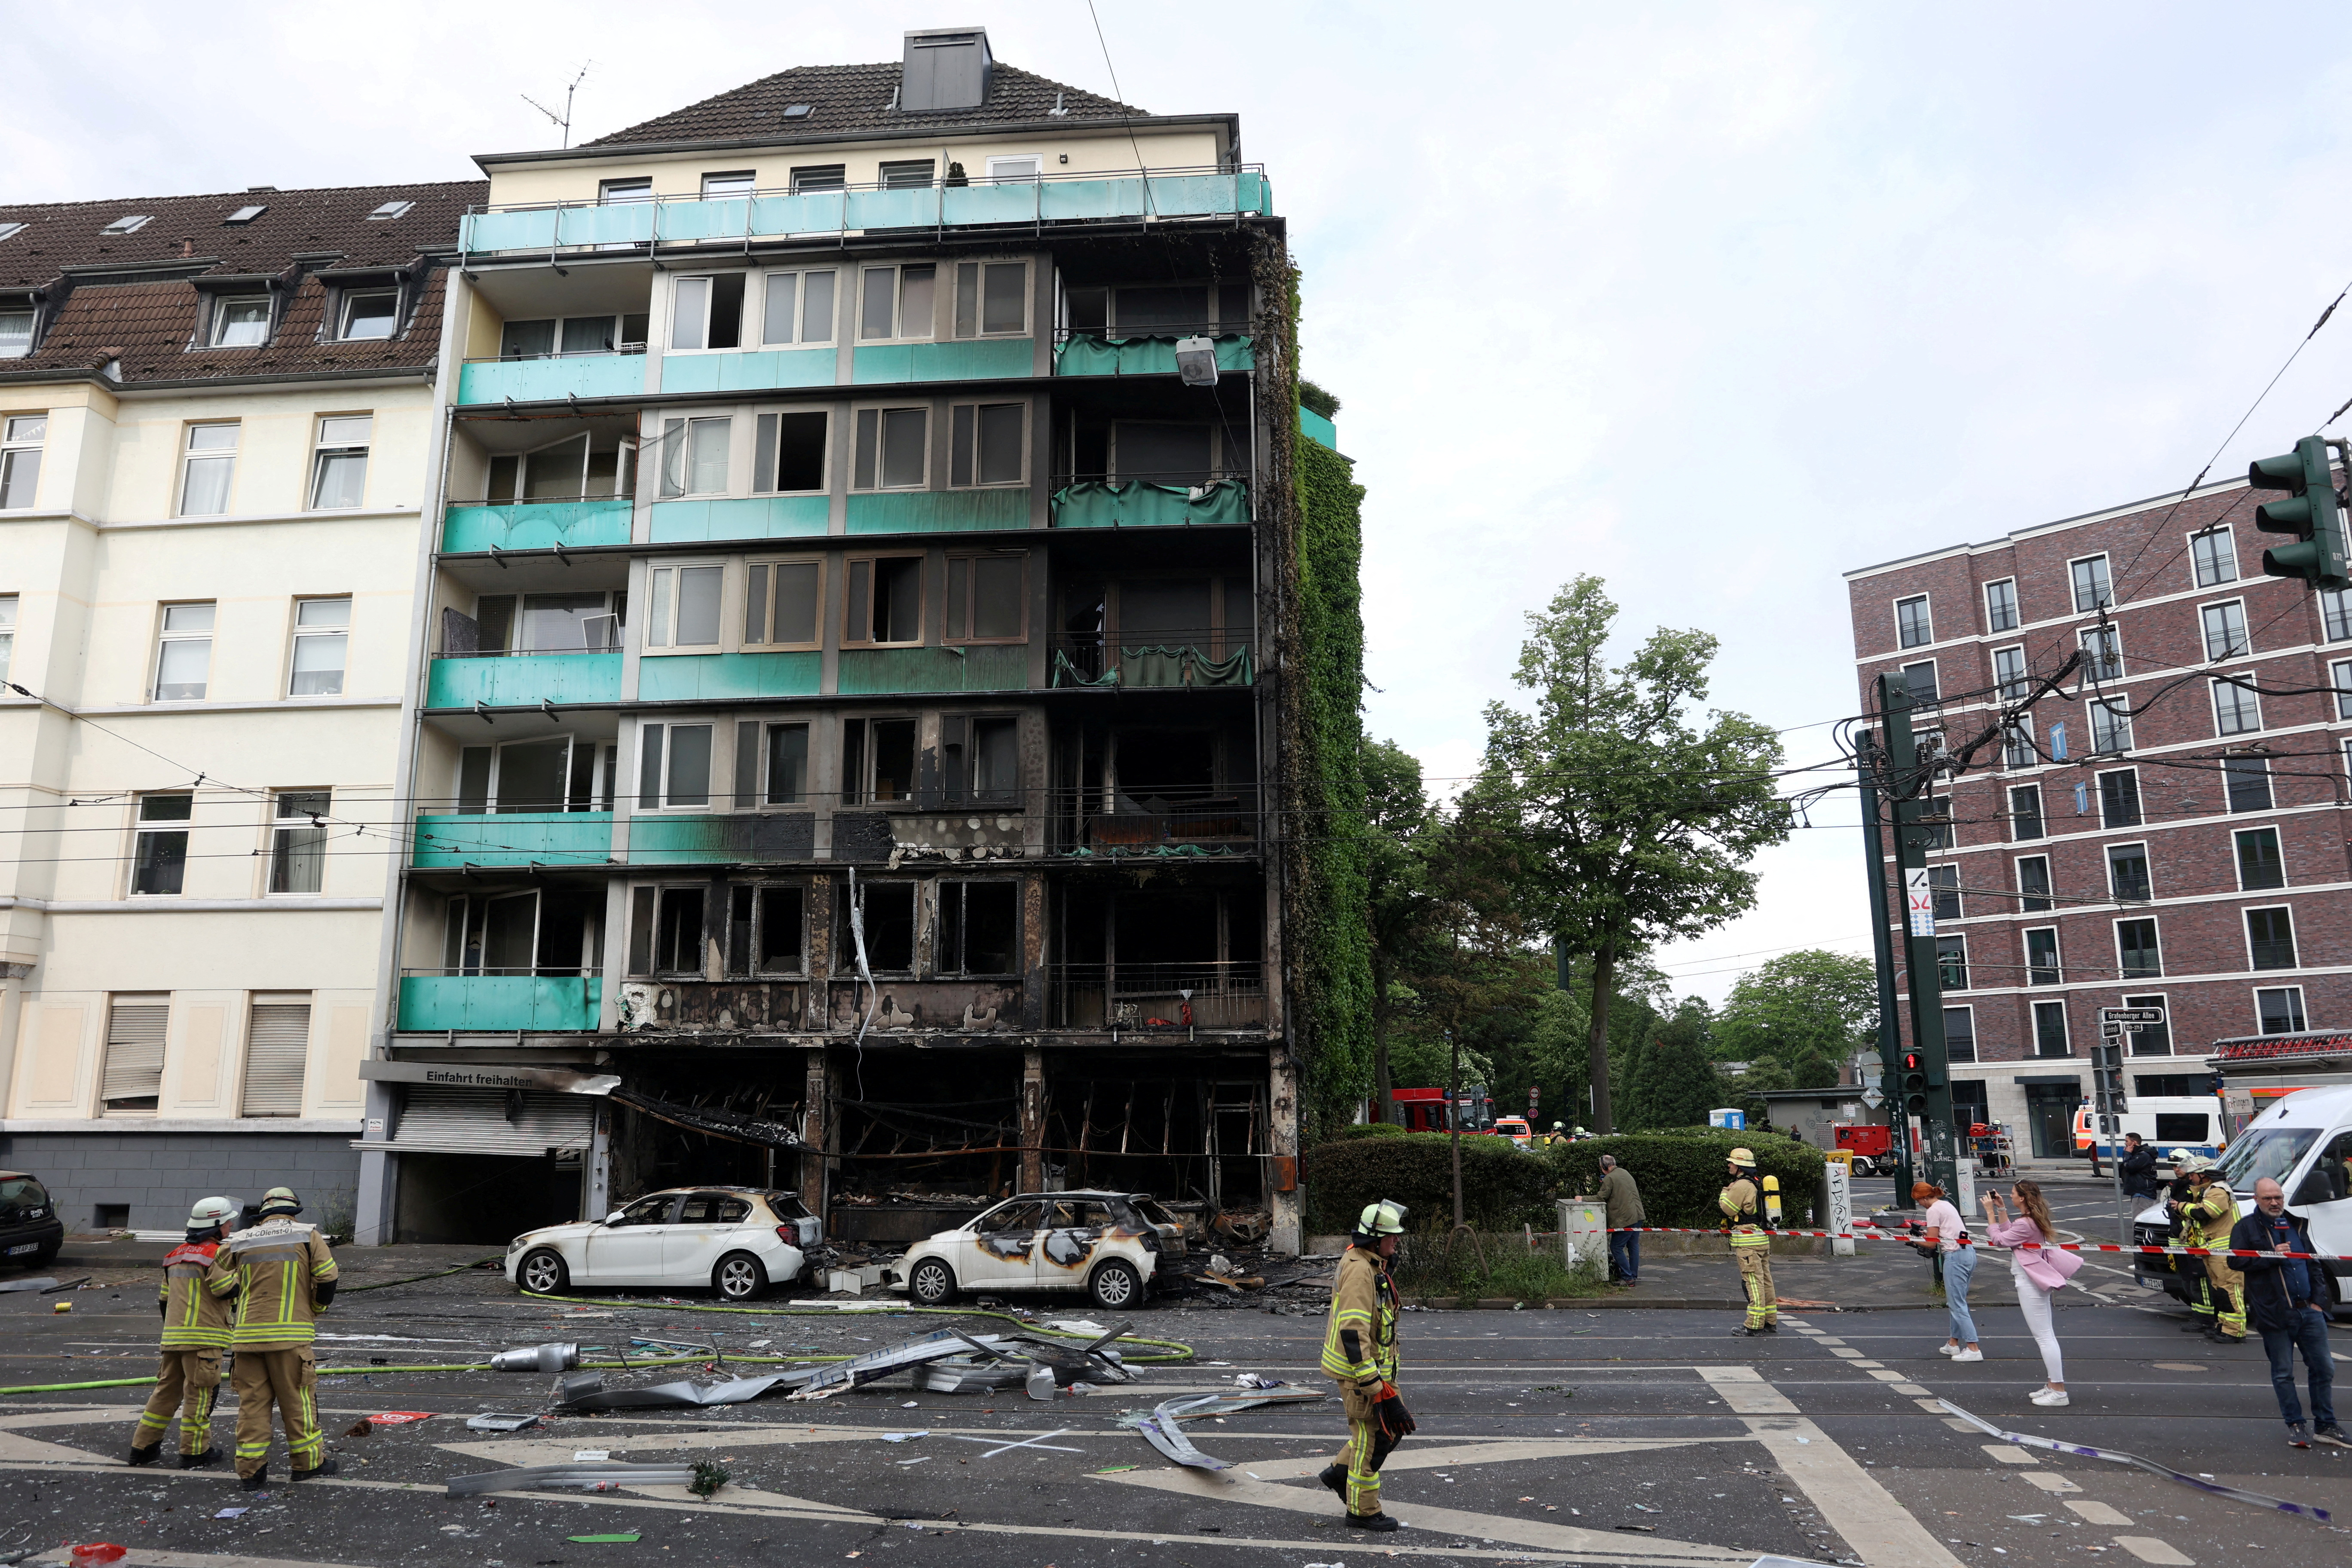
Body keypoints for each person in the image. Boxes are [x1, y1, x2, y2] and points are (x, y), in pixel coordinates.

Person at [208, 1185, 340, 1489]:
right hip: (291, 1337)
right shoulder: (308, 1235)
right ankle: (308, 1465)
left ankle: (251, 1473)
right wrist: (317, 1307)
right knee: (298, 1403)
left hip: (247, 1339)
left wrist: (243, 1294)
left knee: (252, 1405)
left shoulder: (241, 1239)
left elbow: (216, 1281)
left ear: (264, 1212)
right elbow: (328, 1277)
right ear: (293, 1210)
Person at [1318, 1199, 1412, 1532]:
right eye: (1392, 1237)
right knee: (1372, 1441)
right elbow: (1353, 1332)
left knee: (1390, 1430)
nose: (1397, 1241)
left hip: (1377, 1370)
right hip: (1362, 1374)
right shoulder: (1360, 1271)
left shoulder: (1370, 1263)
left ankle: (1338, 1474)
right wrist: (1374, 1386)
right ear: (1374, 1239)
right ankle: (1363, 1511)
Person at [2229, 1177, 2343, 1449]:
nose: (2274, 1203)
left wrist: (2319, 1301)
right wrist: (2270, 1254)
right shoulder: (2246, 1227)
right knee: (2283, 1373)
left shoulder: (2295, 1223)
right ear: (2256, 1200)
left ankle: (2326, 1425)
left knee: (2324, 1368)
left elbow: (2314, 1263)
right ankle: (2296, 1424)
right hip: (2274, 1313)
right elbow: (2235, 1260)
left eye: (2278, 1197)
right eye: (2268, 1198)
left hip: (2309, 1311)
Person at [128, 1196, 237, 1469]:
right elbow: (227, 1290)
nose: (231, 1225)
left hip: (174, 1338)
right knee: (199, 1396)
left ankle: (143, 1448)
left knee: (165, 1393)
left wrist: (176, 1332)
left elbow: (164, 1301)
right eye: (227, 1222)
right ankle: (194, 1452)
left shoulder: (174, 1256)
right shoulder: (216, 1255)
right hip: (204, 1340)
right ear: (216, 1226)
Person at [1984, 1179, 2078, 1406]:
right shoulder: (2029, 1221)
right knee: (2046, 1334)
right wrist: (2002, 1209)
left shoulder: (2026, 1224)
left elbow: (2000, 1240)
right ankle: (2052, 1384)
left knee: (2044, 1337)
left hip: (2029, 1281)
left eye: (2013, 1194)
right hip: (2032, 1279)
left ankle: (2059, 1390)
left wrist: (1990, 1213)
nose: (2011, 1197)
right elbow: (2012, 1235)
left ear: (2023, 1198)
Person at [2174, 1156, 2247, 1345]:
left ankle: (2235, 1331)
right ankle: (2224, 1326)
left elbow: (2205, 1212)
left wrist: (2181, 1206)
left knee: (2230, 1290)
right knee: (2220, 1291)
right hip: (2214, 1252)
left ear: (2203, 1175)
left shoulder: (2219, 1191)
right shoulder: (2209, 1191)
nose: (2191, 1179)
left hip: (2225, 1253)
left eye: (2193, 1175)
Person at [1910, 1181, 1980, 1362]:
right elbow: (1945, 1231)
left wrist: (1912, 1239)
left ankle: (1973, 1348)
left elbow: (1931, 1243)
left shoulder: (1932, 1210)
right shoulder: (1946, 1205)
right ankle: (1953, 1344)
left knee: (1957, 1305)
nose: (1920, 1204)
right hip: (1968, 1253)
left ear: (1925, 1197)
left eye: (1919, 1201)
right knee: (1957, 1302)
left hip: (1954, 1256)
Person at [1720, 1148, 1776, 1335]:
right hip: (1760, 1239)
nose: (1729, 1165)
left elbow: (1728, 1209)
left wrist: (1724, 1192)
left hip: (1748, 1242)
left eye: (1732, 1163)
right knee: (1766, 1281)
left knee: (1753, 1283)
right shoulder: (1756, 1182)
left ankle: (1754, 1325)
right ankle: (1770, 1321)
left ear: (1740, 1166)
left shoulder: (1742, 1185)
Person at [1599, 1155, 1644, 1286]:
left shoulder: (1610, 1178)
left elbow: (1601, 1197)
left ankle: (1627, 1278)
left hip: (1626, 1219)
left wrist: (1582, 1198)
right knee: (1633, 1246)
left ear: (1605, 1166)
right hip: (1638, 1215)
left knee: (1616, 1247)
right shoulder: (1625, 1172)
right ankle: (1633, 1275)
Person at [2118, 1133, 2162, 1202]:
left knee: (2139, 1212)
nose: (2125, 1143)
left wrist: (2127, 1153)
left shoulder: (2143, 1155)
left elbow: (2129, 1167)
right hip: (2140, 1192)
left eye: (2127, 1141)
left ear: (2134, 1142)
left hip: (2142, 1193)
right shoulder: (2138, 1154)